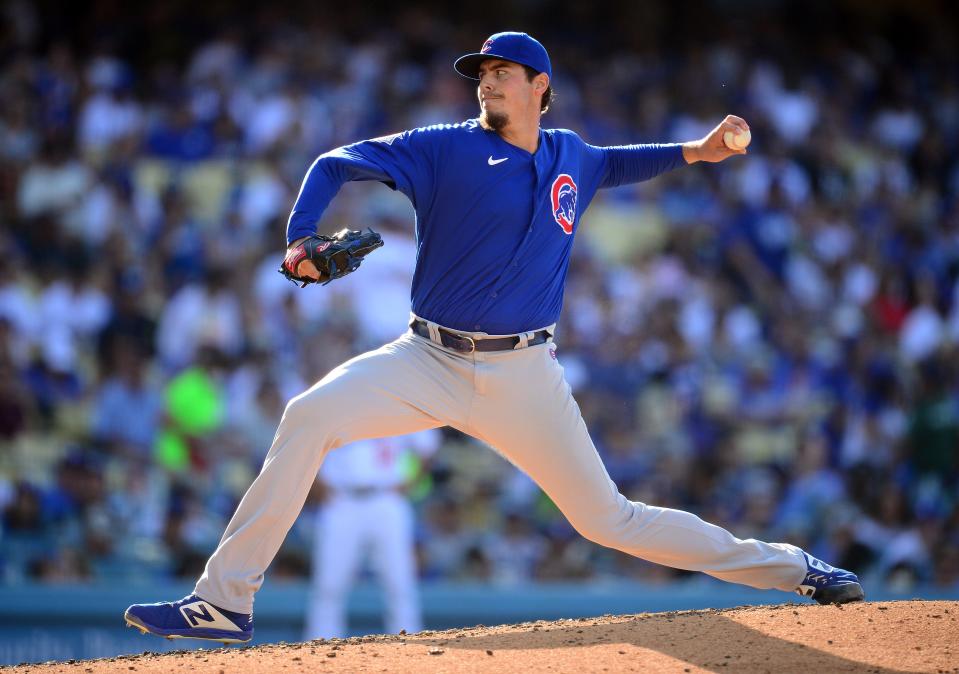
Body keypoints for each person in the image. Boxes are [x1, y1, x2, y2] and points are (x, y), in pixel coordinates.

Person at [125, 31, 864, 644]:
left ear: (539, 86)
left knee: (609, 520)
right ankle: (222, 603)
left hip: (525, 375)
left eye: (502, 72)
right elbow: (332, 162)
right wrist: (299, 240)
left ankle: (793, 568)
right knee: (306, 416)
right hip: (425, 356)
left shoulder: (572, 154)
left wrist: (696, 153)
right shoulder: (440, 148)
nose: (487, 82)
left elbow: (618, 163)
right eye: (481, 73)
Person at [304, 430, 440, 639]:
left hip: (386, 498)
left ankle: (410, 648)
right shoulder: (330, 398)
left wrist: (410, 483)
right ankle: (319, 647)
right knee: (329, 583)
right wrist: (317, 483)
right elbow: (304, 445)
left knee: (399, 581)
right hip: (341, 499)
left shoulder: (397, 399)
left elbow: (428, 447)